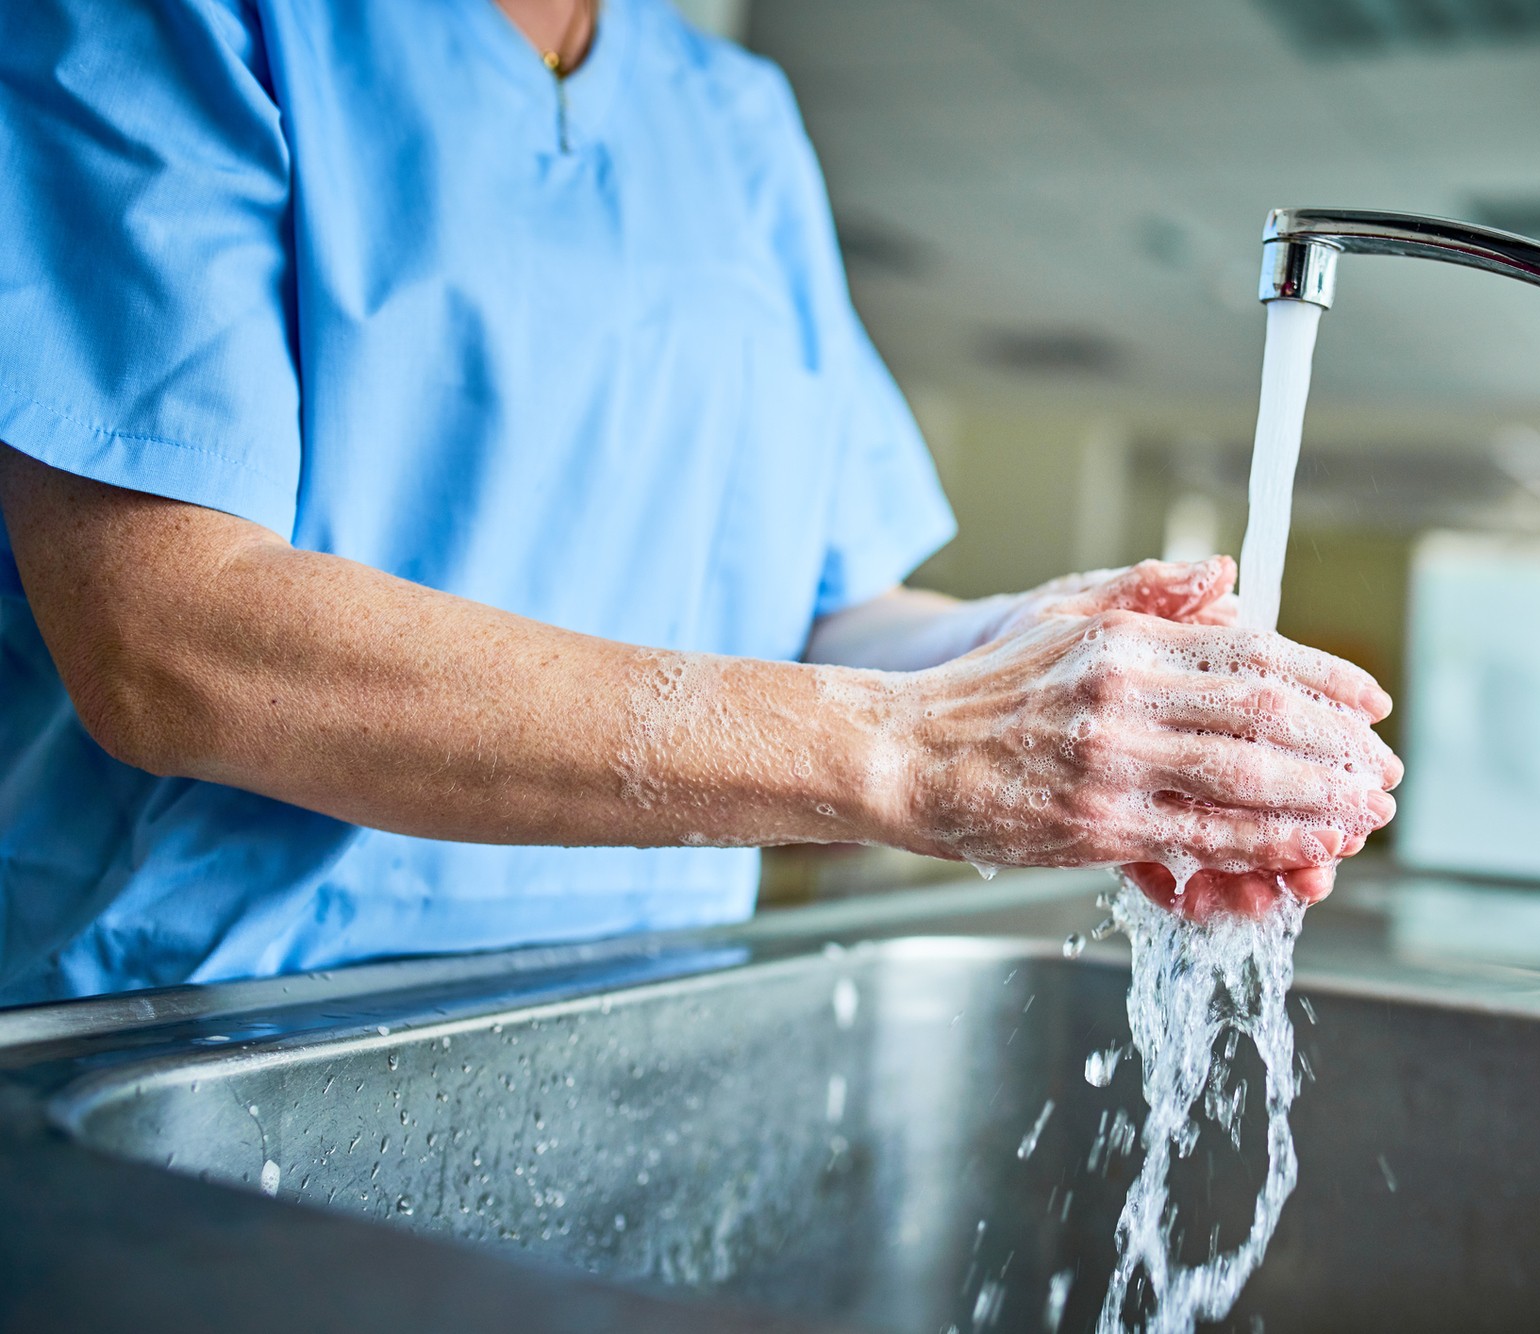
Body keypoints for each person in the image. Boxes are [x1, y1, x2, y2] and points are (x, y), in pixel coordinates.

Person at [0, 0, 1399, 1004]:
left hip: (635, 1015)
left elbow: (826, 610)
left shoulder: (732, 121)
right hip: (195, 1033)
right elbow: (169, 639)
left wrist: (1059, 664)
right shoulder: (175, 24)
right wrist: (917, 756)